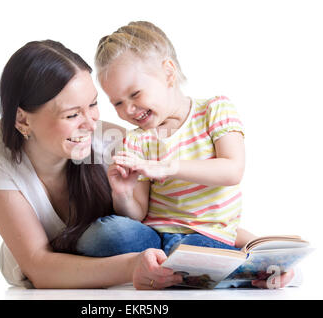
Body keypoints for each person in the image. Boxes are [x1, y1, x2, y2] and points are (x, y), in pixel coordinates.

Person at [0, 39, 184, 290]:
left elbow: (177, 215)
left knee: (121, 234)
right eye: (72, 115)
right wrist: (131, 266)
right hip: (56, 276)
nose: (91, 125)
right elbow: (38, 266)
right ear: (22, 119)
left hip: (121, 264)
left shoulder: (113, 141)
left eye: (93, 104)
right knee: (116, 236)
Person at [94, 21, 295, 288]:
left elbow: (232, 170)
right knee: (110, 232)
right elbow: (137, 214)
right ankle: (189, 270)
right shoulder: (136, 139)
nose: (129, 109)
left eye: (135, 94)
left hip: (204, 236)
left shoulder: (215, 110)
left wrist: (169, 167)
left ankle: (257, 269)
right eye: (117, 102)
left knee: (193, 251)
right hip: (154, 238)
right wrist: (122, 194)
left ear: (168, 73)